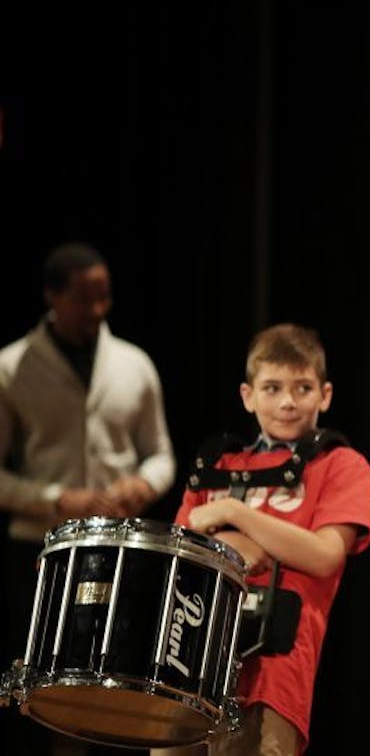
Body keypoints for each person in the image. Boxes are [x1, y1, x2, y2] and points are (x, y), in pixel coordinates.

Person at [156, 323, 370, 755]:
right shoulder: (218, 463)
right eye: (272, 388)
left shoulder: (341, 465)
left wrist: (234, 514)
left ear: (325, 395)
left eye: (303, 388)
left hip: (276, 671)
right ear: (248, 395)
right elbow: (182, 551)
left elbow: (324, 555)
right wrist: (248, 546)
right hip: (189, 660)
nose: (288, 402)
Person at [0, 242, 176, 755]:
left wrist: (142, 485)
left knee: (116, 682)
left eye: (104, 298)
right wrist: (58, 499)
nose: (97, 311)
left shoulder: (133, 364)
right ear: (52, 297)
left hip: (119, 547)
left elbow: (161, 453)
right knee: (46, 692)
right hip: (40, 549)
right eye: (83, 299)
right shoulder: (12, 367)